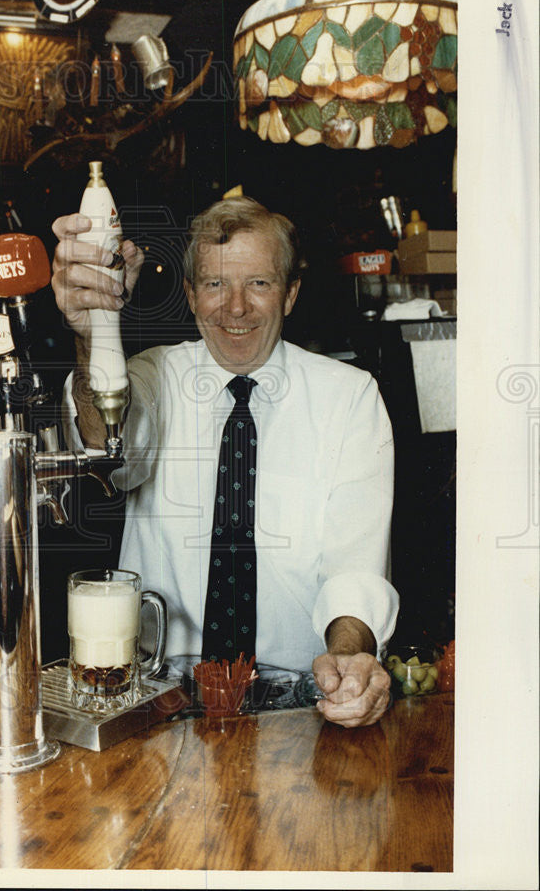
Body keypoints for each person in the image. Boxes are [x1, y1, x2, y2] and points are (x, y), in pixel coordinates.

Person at [51, 196, 398, 728]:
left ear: (291, 294)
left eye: (258, 283)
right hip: (156, 691)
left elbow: (355, 567)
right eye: (215, 284)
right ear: (190, 295)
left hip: (299, 697)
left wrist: (348, 659)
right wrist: (93, 332)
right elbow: (109, 448)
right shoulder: (150, 376)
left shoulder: (348, 397)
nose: (235, 307)